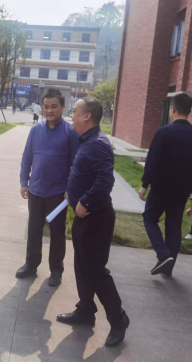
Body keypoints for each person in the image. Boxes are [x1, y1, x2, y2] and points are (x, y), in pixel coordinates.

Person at [57, 98, 129, 348]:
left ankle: (119, 320)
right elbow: (86, 174)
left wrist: (85, 201)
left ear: (87, 116)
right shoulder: (86, 140)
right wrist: (72, 191)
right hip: (83, 217)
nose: (71, 115)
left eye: (75, 111)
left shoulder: (98, 143)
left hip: (95, 218)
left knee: (96, 271)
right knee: (81, 266)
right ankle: (86, 310)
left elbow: (105, 180)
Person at [17, 89, 80, 287]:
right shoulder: (36, 130)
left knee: (57, 233)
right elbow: (27, 158)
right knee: (34, 230)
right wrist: (24, 182)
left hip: (58, 194)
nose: (49, 110)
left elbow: (75, 164)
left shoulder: (70, 132)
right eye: (46, 107)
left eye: (54, 106)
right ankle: (31, 264)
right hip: (36, 190)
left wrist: (70, 189)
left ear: (62, 107)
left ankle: (56, 270)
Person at [139, 93, 192, 277]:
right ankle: (167, 269)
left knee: (149, 219)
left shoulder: (164, 132)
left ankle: (163, 255)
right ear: (190, 111)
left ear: (173, 109)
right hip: (182, 190)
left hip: (161, 187)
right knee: (173, 226)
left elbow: (152, 160)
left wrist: (145, 184)